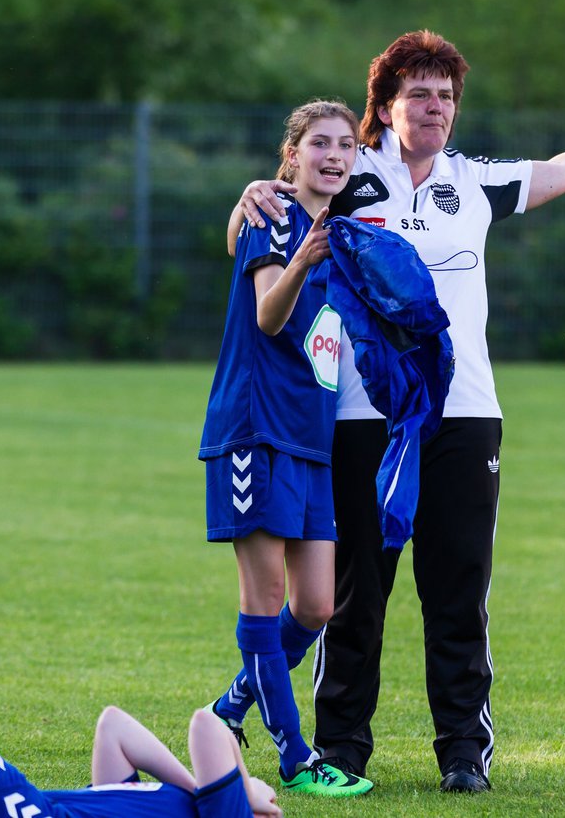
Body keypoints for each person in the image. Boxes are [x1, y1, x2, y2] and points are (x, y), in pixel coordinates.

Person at [231, 29, 565, 793]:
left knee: (458, 587)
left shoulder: (474, 181)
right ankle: (341, 749)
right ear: (386, 107)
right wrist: (248, 197)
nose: (435, 108)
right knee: (354, 592)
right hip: (362, 418)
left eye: (446, 96)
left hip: (464, 416)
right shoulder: (348, 173)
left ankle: (464, 753)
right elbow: (265, 222)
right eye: (419, 95)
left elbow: (561, 173)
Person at [200, 100, 373, 797]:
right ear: (292, 154)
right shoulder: (273, 219)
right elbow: (270, 317)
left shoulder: (341, 232)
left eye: (347, 145)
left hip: (310, 440)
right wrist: (301, 255)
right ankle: (297, 760)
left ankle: (226, 712)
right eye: (321, 144)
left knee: (316, 606)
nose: (335, 155)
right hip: (256, 430)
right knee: (265, 597)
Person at [0, 686, 281, 818]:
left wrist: (245, 790)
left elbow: (207, 725)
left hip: (17, 809)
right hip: (17, 806)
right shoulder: (204, 803)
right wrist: (197, 789)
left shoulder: (229, 812)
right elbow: (114, 726)